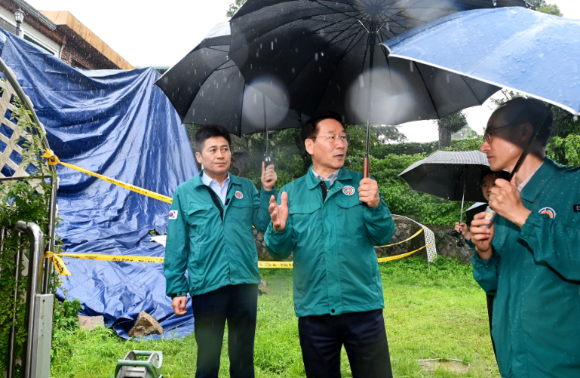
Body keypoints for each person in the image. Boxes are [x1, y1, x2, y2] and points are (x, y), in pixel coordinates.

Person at [264, 112, 396, 378]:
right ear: (310, 145)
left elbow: (383, 236)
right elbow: (277, 250)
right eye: (332, 137)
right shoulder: (291, 192)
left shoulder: (362, 184)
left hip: (363, 308)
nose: (341, 144)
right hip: (315, 312)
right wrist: (278, 229)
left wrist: (375, 204)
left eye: (344, 137)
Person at [470, 97, 580, 377]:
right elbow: (494, 285)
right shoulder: (503, 202)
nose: (484, 146)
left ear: (524, 132)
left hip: (561, 363)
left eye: (491, 135)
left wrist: (524, 216)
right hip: (512, 358)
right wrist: (485, 252)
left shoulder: (574, 186)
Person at [164, 124, 277, 378]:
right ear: (199, 156)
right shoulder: (185, 193)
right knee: (207, 362)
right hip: (207, 287)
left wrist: (268, 189)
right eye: (212, 149)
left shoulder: (246, 187)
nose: (220, 154)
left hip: (244, 284)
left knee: (243, 361)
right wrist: (177, 288)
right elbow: (176, 244)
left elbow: (262, 222)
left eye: (225, 149)